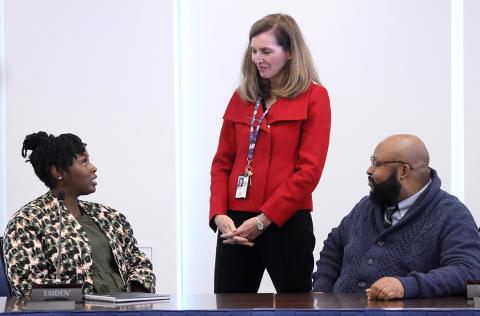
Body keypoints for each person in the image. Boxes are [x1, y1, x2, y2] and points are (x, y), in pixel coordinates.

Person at [210, 13, 331, 293]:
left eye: (266, 51)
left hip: (285, 222)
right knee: (227, 309)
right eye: (253, 51)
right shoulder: (242, 97)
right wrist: (219, 214)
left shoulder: (315, 97)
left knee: (295, 308)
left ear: (289, 53)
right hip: (236, 226)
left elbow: (309, 171)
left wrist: (264, 220)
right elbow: (221, 164)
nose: (257, 58)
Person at [312, 134, 480, 300]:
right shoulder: (366, 206)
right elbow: (334, 247)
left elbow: (468, 270)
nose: (369, 170)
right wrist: (321, 291)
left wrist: (407, 286)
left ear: (403, 171)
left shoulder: (451, 214)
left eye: (376, 163)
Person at [3, 132, 156, 296]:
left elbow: (140, 263)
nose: (93, 167)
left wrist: (136, 298)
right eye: (84, 162)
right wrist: (85, 303)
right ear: (57, 171)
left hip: (128, 309)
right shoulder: (26, 222)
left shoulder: (110, 216)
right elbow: (28, 287)